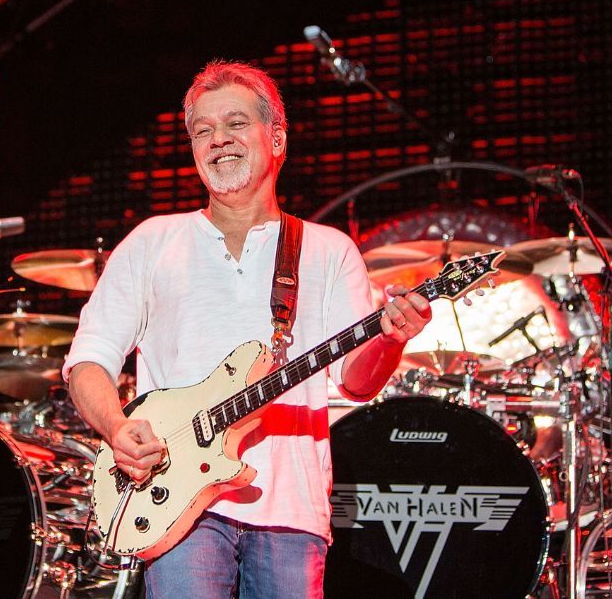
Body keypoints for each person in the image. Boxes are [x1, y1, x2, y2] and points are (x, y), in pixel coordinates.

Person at [64, 61, 430, 598]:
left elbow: (357, 382)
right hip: (176, 502)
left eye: (235, 123)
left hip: (290, 509)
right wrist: (117, 427)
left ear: (276, 138)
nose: (218, 140)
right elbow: (87, 360)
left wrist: (391, 339)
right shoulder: (152, 241)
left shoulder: (329, 250)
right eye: (202, 131)